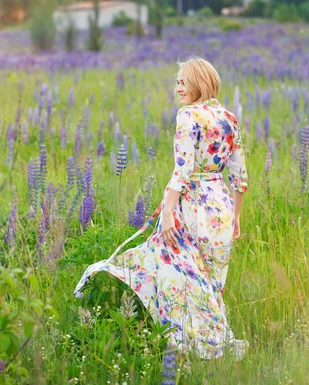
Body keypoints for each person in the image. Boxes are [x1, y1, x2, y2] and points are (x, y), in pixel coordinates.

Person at [73, 56, 249, 360]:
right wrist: (235, 217)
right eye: (177, 82)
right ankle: (213, 347)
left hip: (192, 206)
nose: (177, 87)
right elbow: (240, 176)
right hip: (220, 206)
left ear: (198, 82)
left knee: (184, 279)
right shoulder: (229, 118)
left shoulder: (188, 116)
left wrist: (168, 212)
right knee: (212, 284)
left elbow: (182, 170)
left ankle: (193, 348)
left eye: (183, 81)